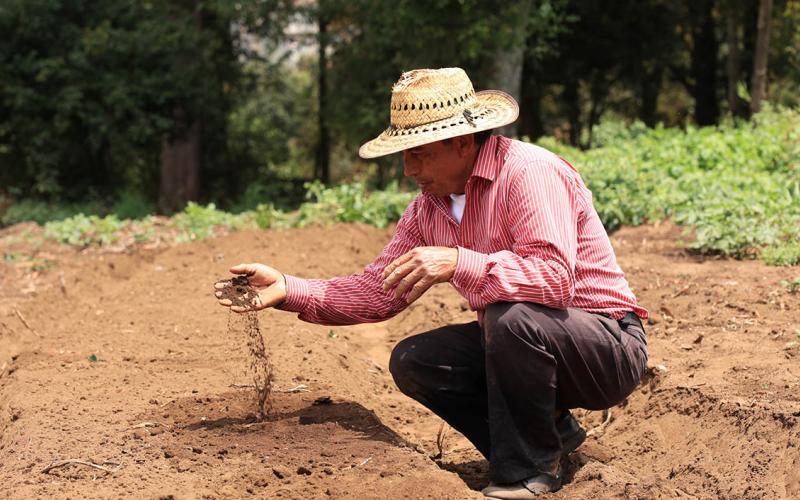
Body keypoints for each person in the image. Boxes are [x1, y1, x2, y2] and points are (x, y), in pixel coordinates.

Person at [215, 67, 648, 499]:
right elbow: (376, 289)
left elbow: (553, 280)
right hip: (527, 346)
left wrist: (461, 262)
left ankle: (527, 472)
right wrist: (288, 289)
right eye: (405, 155)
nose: (408, 169)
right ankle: (550, 433)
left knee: (509, 316)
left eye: (419, 153)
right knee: (416, 360)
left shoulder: (529, 173)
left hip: (606, 346)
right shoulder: (428, 210)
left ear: (462, 143)